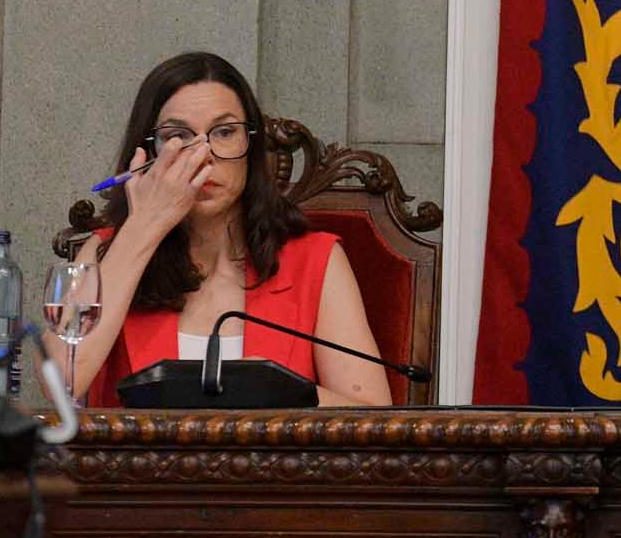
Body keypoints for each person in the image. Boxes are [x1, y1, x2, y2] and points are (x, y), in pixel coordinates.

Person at [73, 51, 391, 407]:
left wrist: (274, 389)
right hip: (139, 463)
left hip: (275, 462)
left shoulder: (314, 259)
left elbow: (374, 417)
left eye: (224, 132)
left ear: (251, 147)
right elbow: (64, 380)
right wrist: (145, 224)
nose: (203, 154)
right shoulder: (106, 251)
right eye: (178, 135)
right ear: (145, 154)